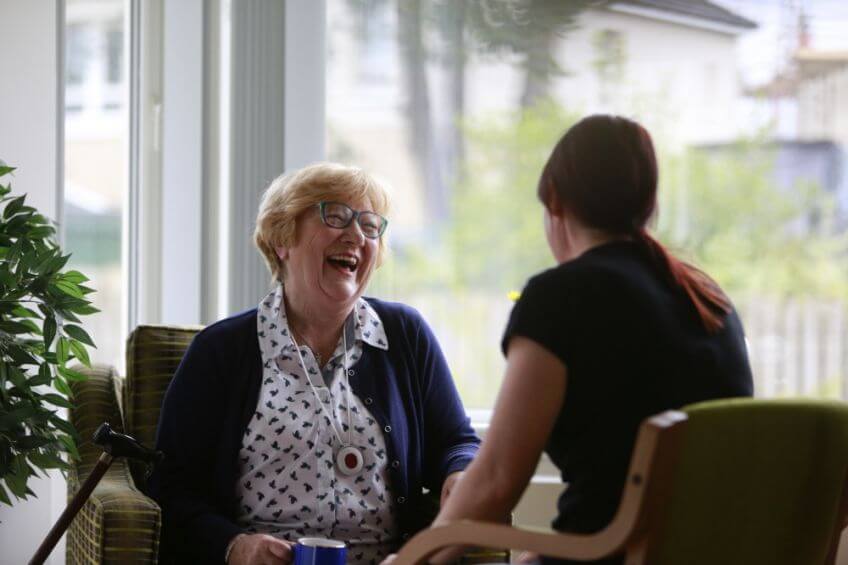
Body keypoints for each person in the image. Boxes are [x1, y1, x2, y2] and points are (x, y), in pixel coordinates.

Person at [406, 115, 754, 565]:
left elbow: (494, 480)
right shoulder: (708, 300)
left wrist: (411, 560)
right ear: (649, 204)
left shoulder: (560, 298)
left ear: (555, 201)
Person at [148, 163, 479, 565]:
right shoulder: (219, 351)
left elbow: (456, 441)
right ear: (283, 239)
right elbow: (171, 486)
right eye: (335, 216)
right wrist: (234, 546)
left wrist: (460, 473)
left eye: (370, 225)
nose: (357, 234)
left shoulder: (404, 335)